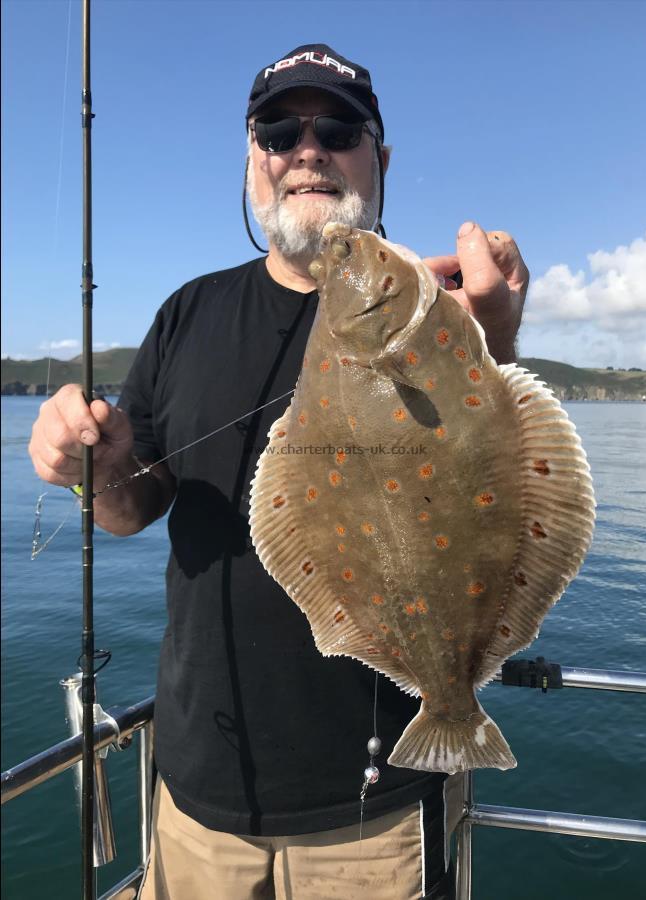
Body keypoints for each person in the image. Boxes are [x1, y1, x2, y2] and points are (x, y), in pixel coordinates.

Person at [29, 44, 528, 900]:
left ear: (381, 157)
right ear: (252, 159)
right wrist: (96, 470)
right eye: (277, 128)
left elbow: (494, 479)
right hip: (193, 798)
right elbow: (129, 507)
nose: (308, 148)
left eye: (338, 127)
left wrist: (490, 338)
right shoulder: (186, 312)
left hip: (372, 811)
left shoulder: (435, 311)